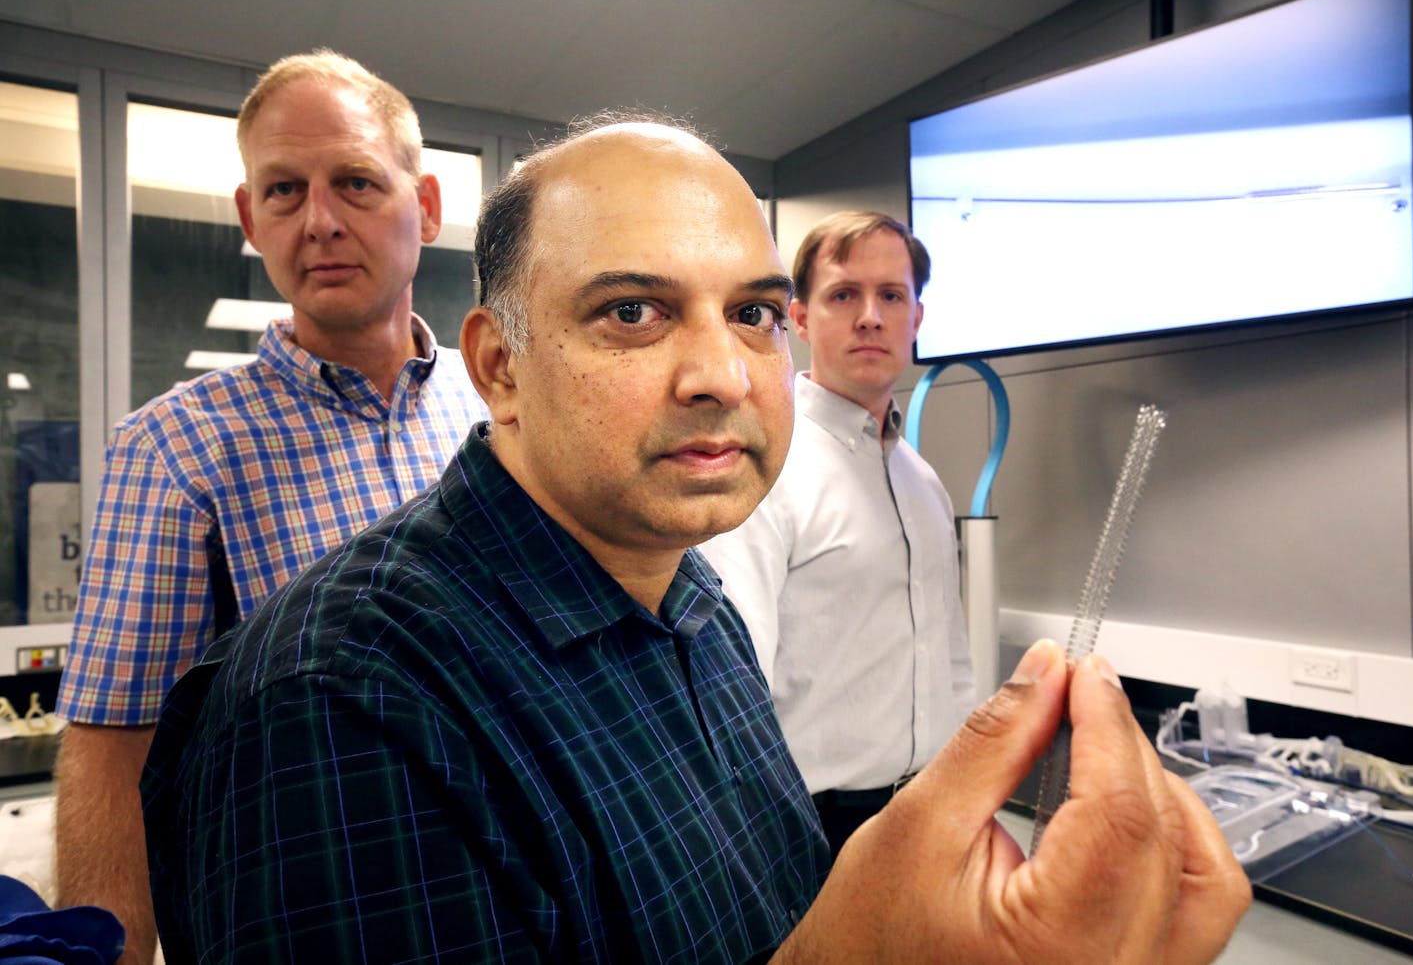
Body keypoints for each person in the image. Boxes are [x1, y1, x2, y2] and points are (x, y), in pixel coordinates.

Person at [141, 115, 1251, 964]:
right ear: (498, 368)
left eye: (753, 314)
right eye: (632, 311)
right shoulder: (341, 700)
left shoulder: (688, 598)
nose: (720, 374)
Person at [54, 50, 485, 965]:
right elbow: (114, 746)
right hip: (301, 915)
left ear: (430, 205)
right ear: (252, 219)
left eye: (357, 182)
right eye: (284, 191)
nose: (320, 220)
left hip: (512, 899)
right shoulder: (177, 451)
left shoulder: (496, 418)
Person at [699, 210, 974, 855]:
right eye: (845, 294)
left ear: (917, 320)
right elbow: (734, 685)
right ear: (797, 318)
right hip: (811, 829)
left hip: (929, 810)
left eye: (892, 296)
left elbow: (951, 657)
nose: (871, 316)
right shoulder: (764, 470)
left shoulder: (922, 481)